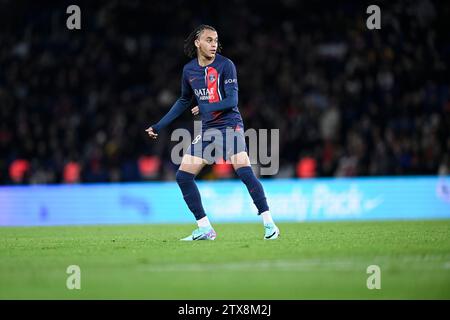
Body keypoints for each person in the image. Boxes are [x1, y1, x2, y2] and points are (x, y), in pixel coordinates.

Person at [146, 25, 279, 241]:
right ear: (197, 42)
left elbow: (232, 100)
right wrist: (158, 126)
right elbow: (183, 101)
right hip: (208, 129)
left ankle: (269, 223)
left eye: (216, 40)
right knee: (183, 176)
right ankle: (205, 228)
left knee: (244, 172)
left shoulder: (226, 65)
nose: (214, 44)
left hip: (229, 124)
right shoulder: (189, 70)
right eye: (209, 40)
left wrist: (204, 107)